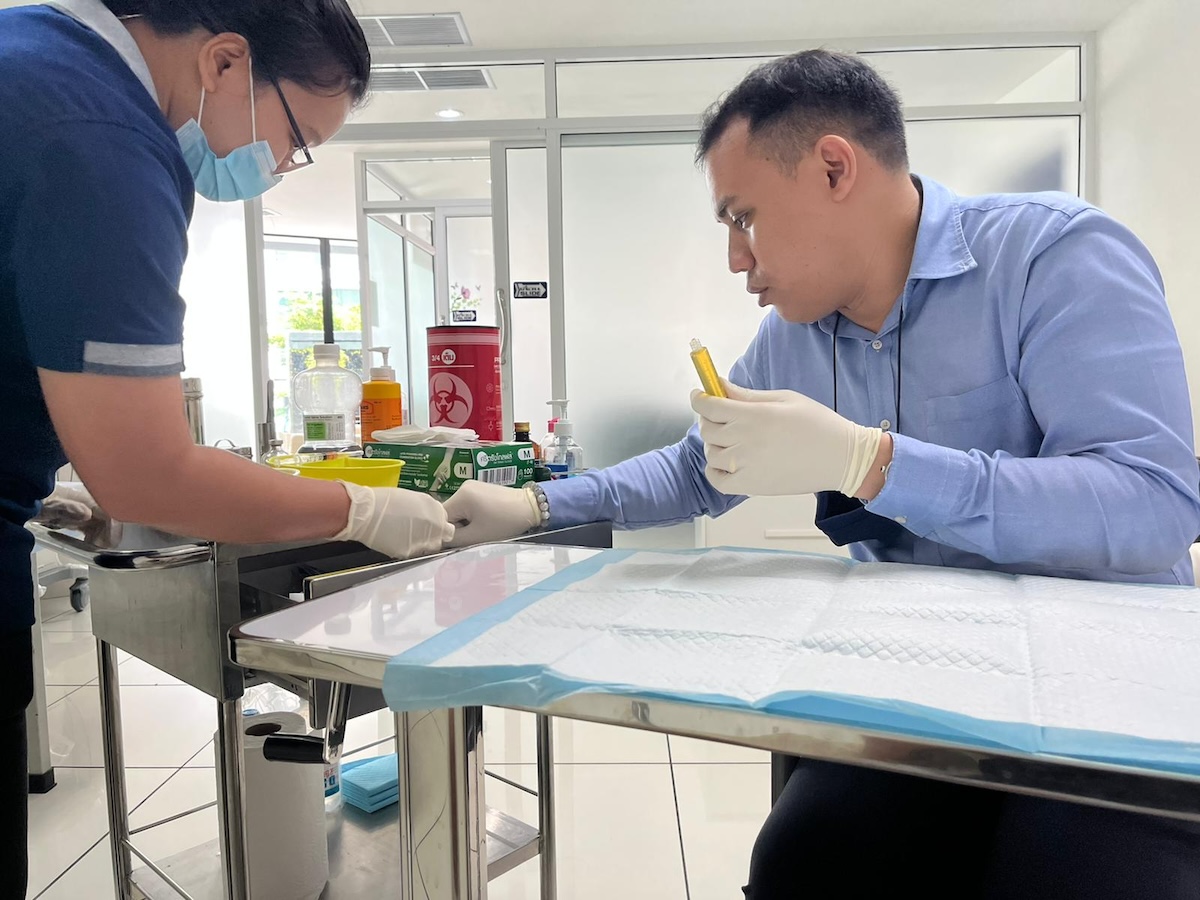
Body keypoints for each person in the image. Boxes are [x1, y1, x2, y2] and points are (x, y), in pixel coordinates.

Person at [444, 50, 1200, 898]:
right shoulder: (798, 334)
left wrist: (871, 463)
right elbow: (703, 469)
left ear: (834, 167)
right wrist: (536, 501)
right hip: (926, 685)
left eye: (744, 217)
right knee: (803, 865)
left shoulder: (1050, 257)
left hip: (1106, 699)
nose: (737, 258)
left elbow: (1155, 504)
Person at [0, 1, 453, 894]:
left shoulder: (29, 50)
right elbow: (150, 475)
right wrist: (362, 506)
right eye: (296, 140)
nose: (282, 168)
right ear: (226, 62)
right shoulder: (102, 137)